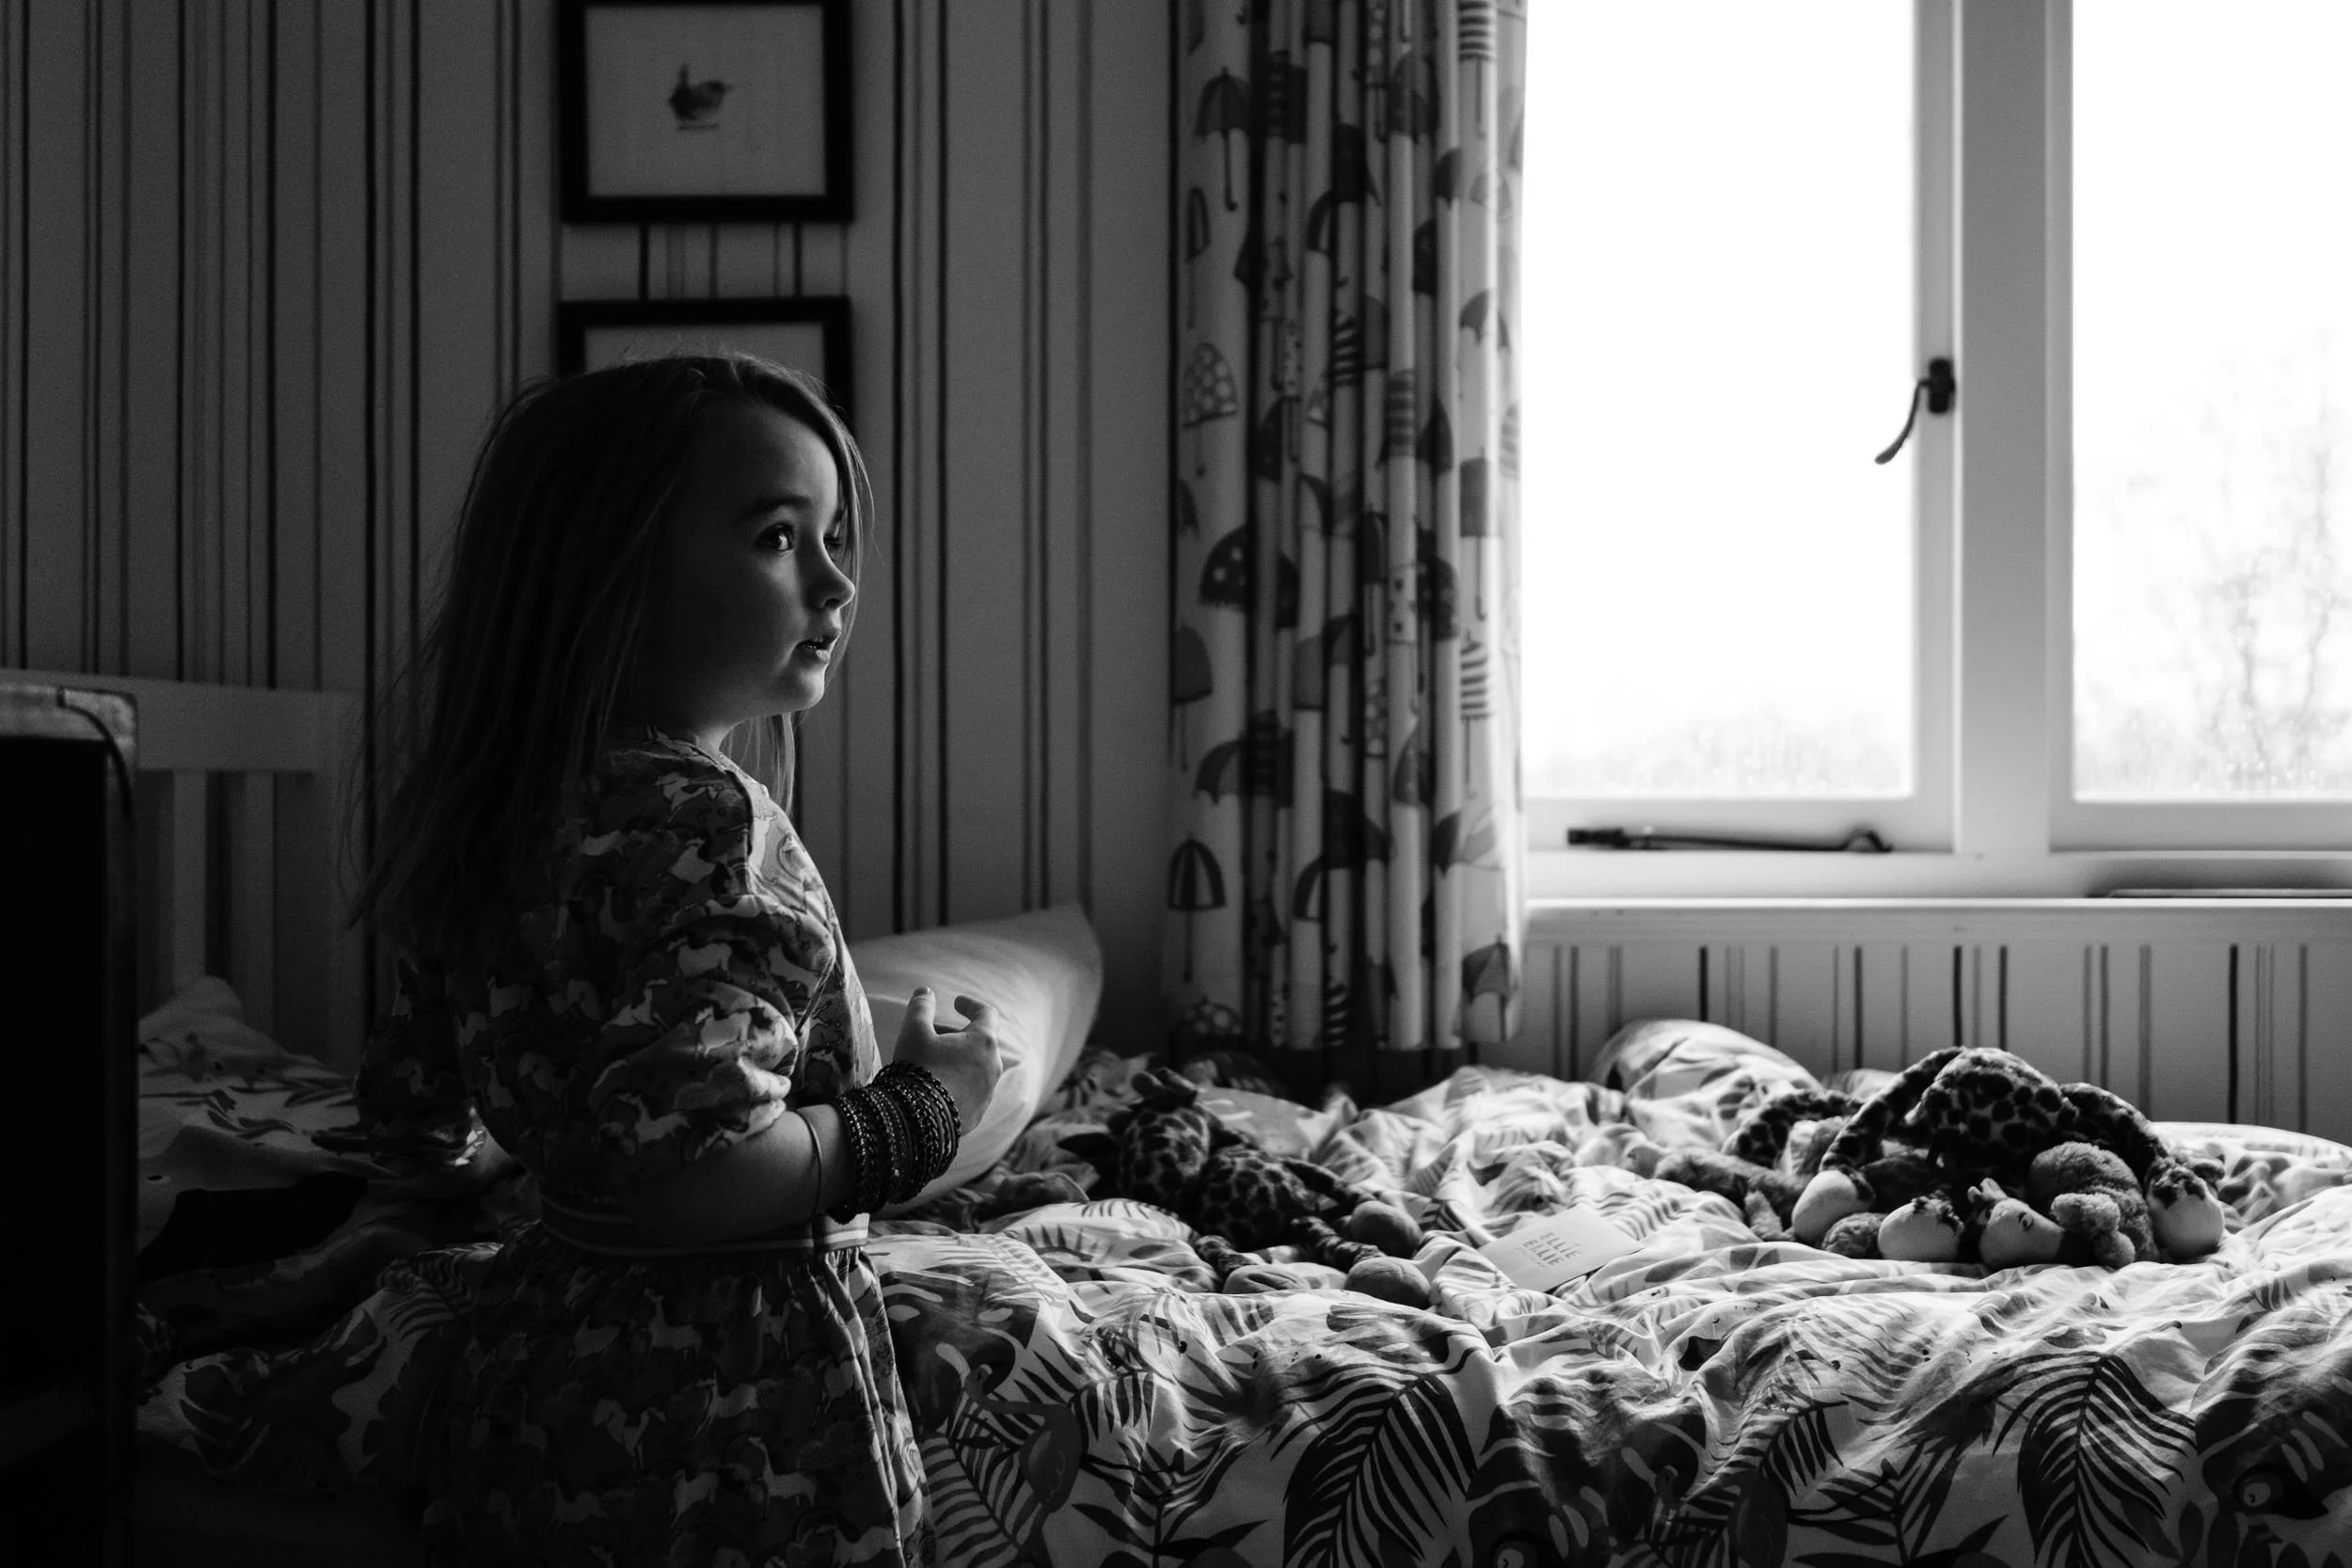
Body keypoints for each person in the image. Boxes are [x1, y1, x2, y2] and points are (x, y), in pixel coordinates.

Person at [340, 353, 1002, 1565]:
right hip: (731, 1419)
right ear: (612, 575)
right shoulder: (715, 828)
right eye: (778, 537)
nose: (838, 581)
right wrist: (923, 1109)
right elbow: (695, 1175)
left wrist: (534, 1150)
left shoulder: (487, 811)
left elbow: (415, 1119)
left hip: (532, 1381)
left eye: (832, 537)